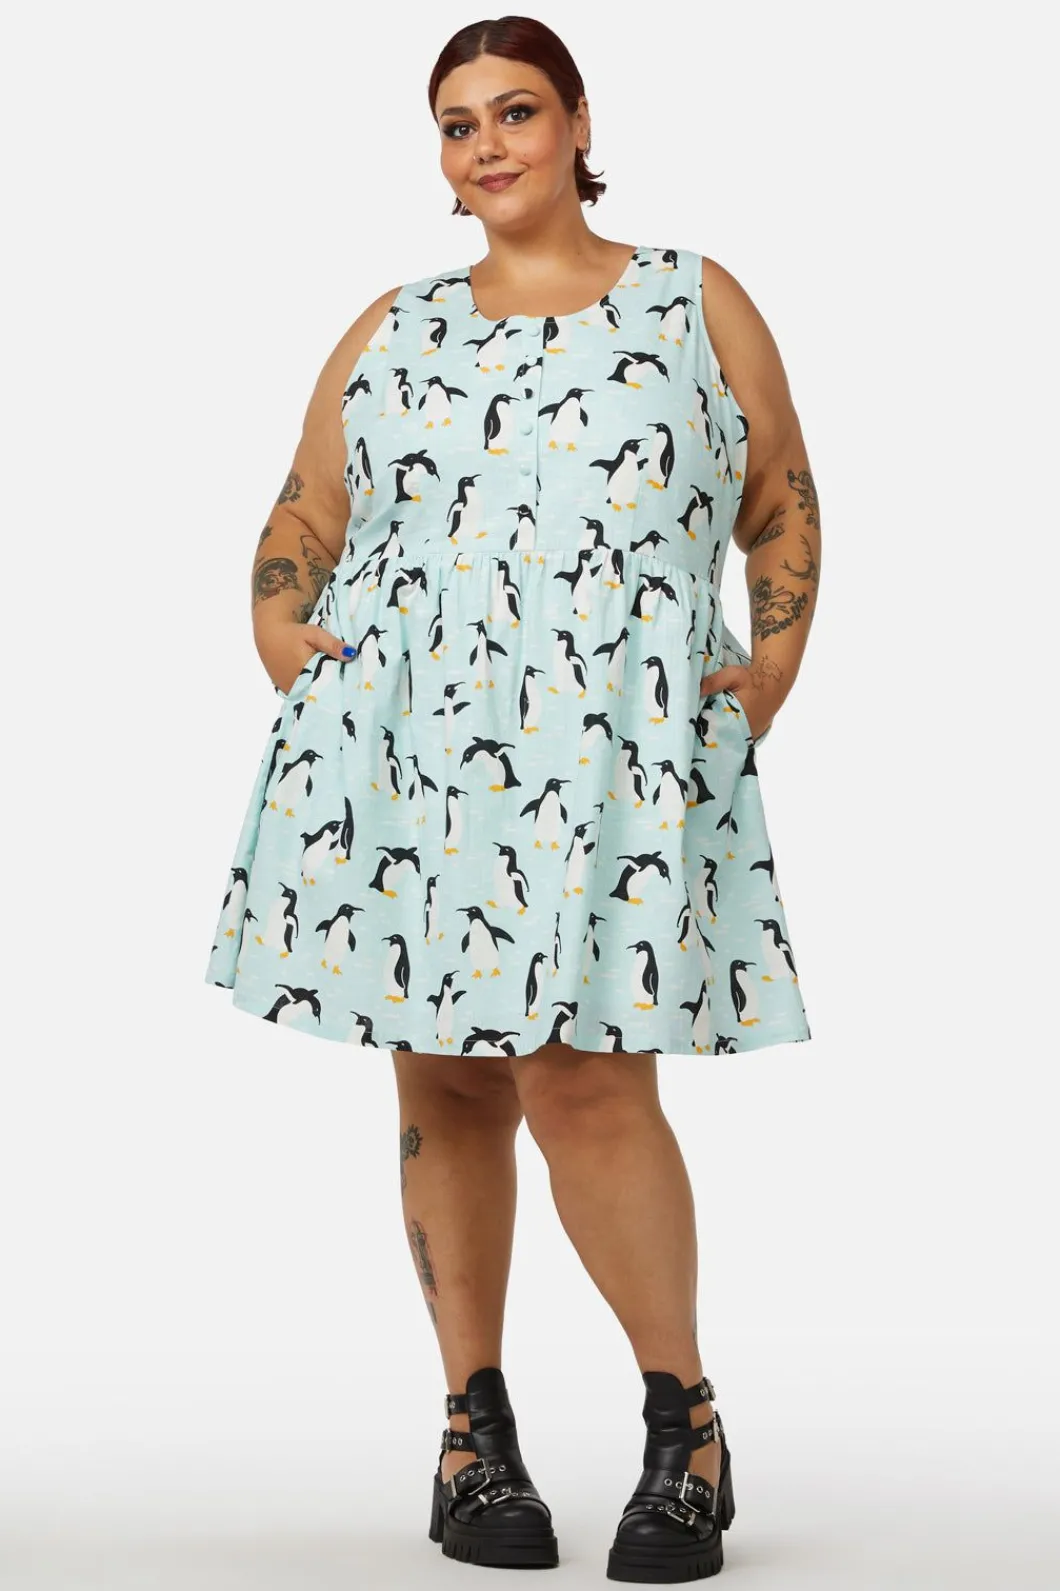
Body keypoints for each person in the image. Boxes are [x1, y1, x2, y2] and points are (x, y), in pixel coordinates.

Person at [203, 14, 821, 1582]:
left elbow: (781, 499)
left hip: (615, 756)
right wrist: (281, 626)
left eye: (517, 111)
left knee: (589, 1079)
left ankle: (686, 1425)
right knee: (447, 1081)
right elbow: (306, 511)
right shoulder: (396, 324)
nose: (488, 145)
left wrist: (768, 670)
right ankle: (470, 1434)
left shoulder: (690, 299)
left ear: (579, 121)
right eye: (458, 122)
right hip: (411, 755)